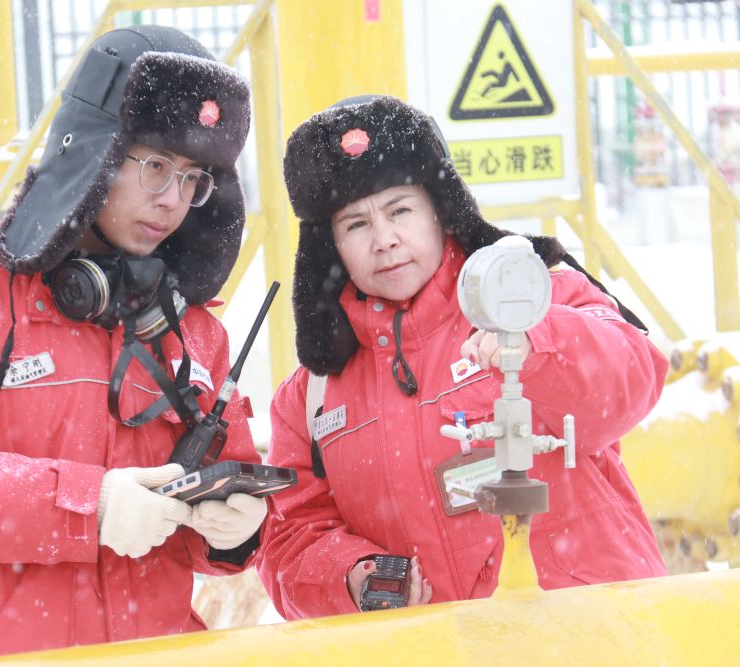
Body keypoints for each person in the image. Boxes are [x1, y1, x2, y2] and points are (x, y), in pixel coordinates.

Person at [0, 26, 268, 666]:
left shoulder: (193, 331)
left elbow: (201, 512)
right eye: (155, 166)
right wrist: (89, 505)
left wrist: (232, 533)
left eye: (193, 178)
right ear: (97, 151)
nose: (172, 200)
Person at [257, 95, 669, 619]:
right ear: (329, 247)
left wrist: (539, 342)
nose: (384, 240)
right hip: (436, 649)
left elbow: (632, 379)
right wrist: (349, 574)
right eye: (356, 224)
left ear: (441, 211)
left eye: (400, 210)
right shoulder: (310, 398)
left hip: (595, 636)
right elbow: (290, 536)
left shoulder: (532, 295)